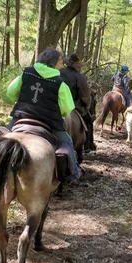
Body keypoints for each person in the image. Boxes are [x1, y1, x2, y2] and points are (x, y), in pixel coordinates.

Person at [6, 47, 80, 181]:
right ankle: (73, 173)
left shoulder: (26, 73)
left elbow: (10, 92)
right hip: (49, 122)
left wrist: (19, 99)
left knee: (0, 137)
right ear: (53, 63)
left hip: (21, 117)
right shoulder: (60, 83)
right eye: (60, 62)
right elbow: (66, 109)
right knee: (67, 141)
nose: (62, 65)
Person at [60, 53, 97, 152]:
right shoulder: (79, 77)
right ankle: (88, 145)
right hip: (74, 106)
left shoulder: (58, 72)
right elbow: (85, 96)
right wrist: (86, 104)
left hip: (57, 102)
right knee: (89, 120)